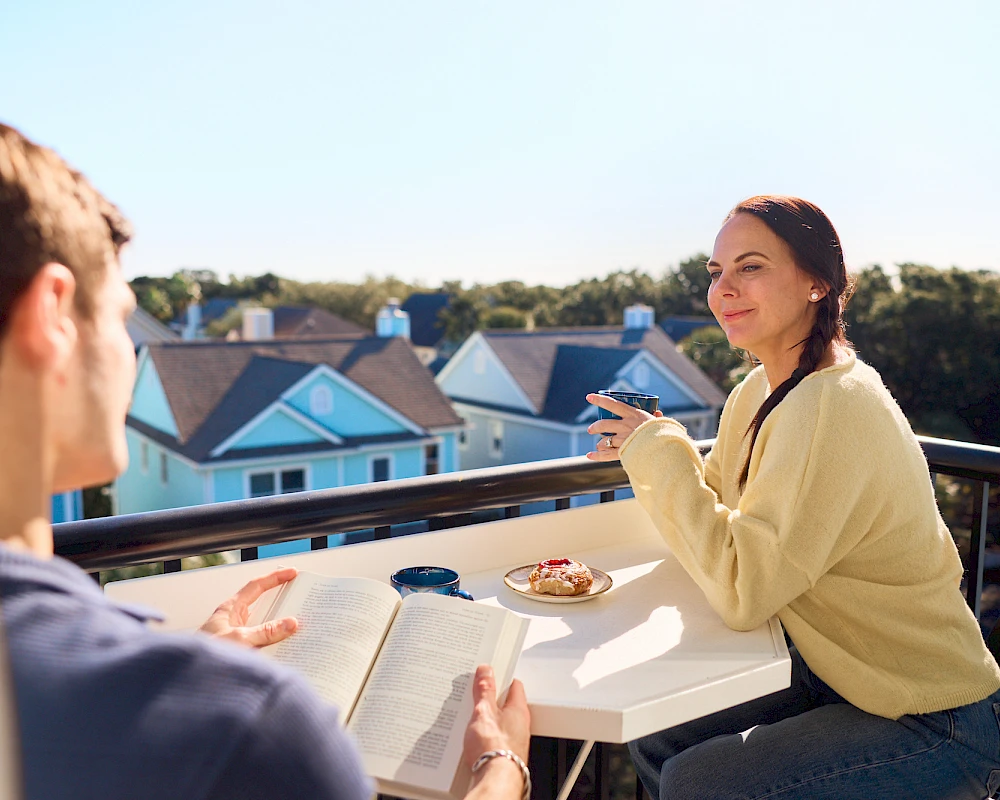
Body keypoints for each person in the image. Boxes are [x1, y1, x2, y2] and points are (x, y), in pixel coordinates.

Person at [0, 121, 530, 800]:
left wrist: (184, 674)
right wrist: (501, 768)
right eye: (120, 316)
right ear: (53, 316)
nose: (129, 357)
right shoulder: (246, 730)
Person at [585, 196, 1000, 799]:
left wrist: (659, 449)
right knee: (656, 727)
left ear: (817, 283)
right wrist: (654, 447)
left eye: (750, 267)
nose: (723, 289)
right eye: (716, 271)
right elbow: (722, 517)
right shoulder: (762, 389)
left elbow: (742, 590)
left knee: (702, 782)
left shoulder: (829, 403)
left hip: (932, 714)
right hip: (835, 668)